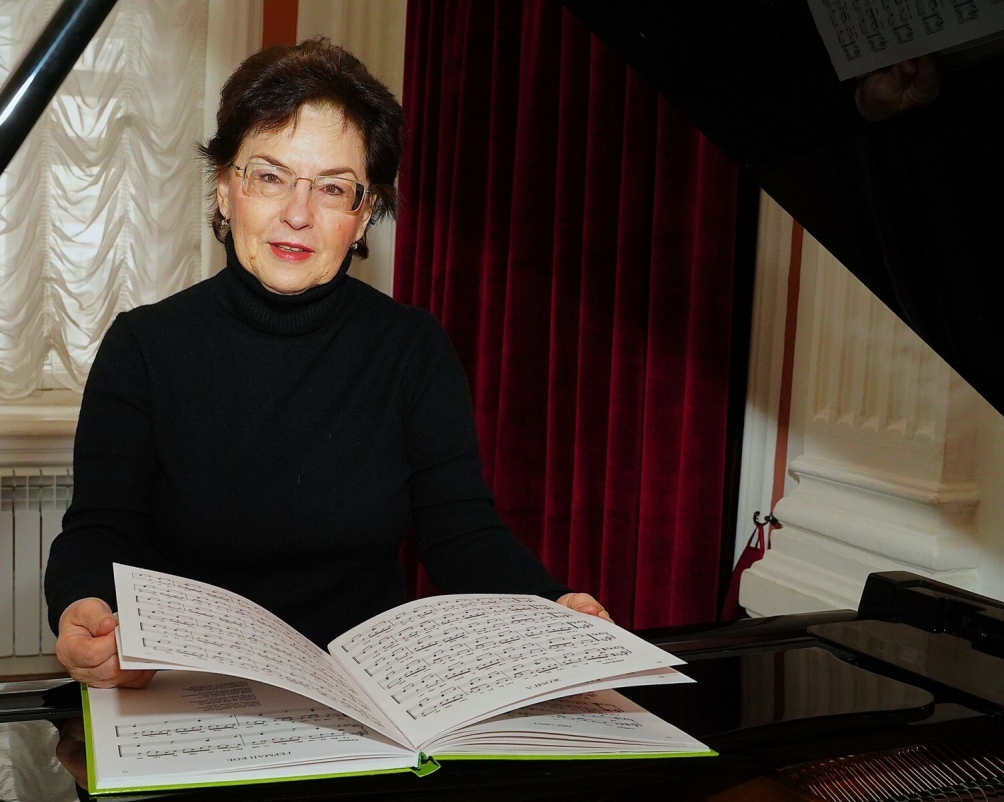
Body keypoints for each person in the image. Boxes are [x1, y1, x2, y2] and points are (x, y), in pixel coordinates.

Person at [44, 38, 609, 689]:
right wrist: (84, 603)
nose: (297, 213)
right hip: (189, 689)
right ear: (224, 188)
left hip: (366, 694)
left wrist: (551, 606)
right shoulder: (143, 348)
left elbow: (461, 533)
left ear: (364, 215)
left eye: (334, 188)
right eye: (269, 176)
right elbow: (100, 530)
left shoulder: (413, 349)